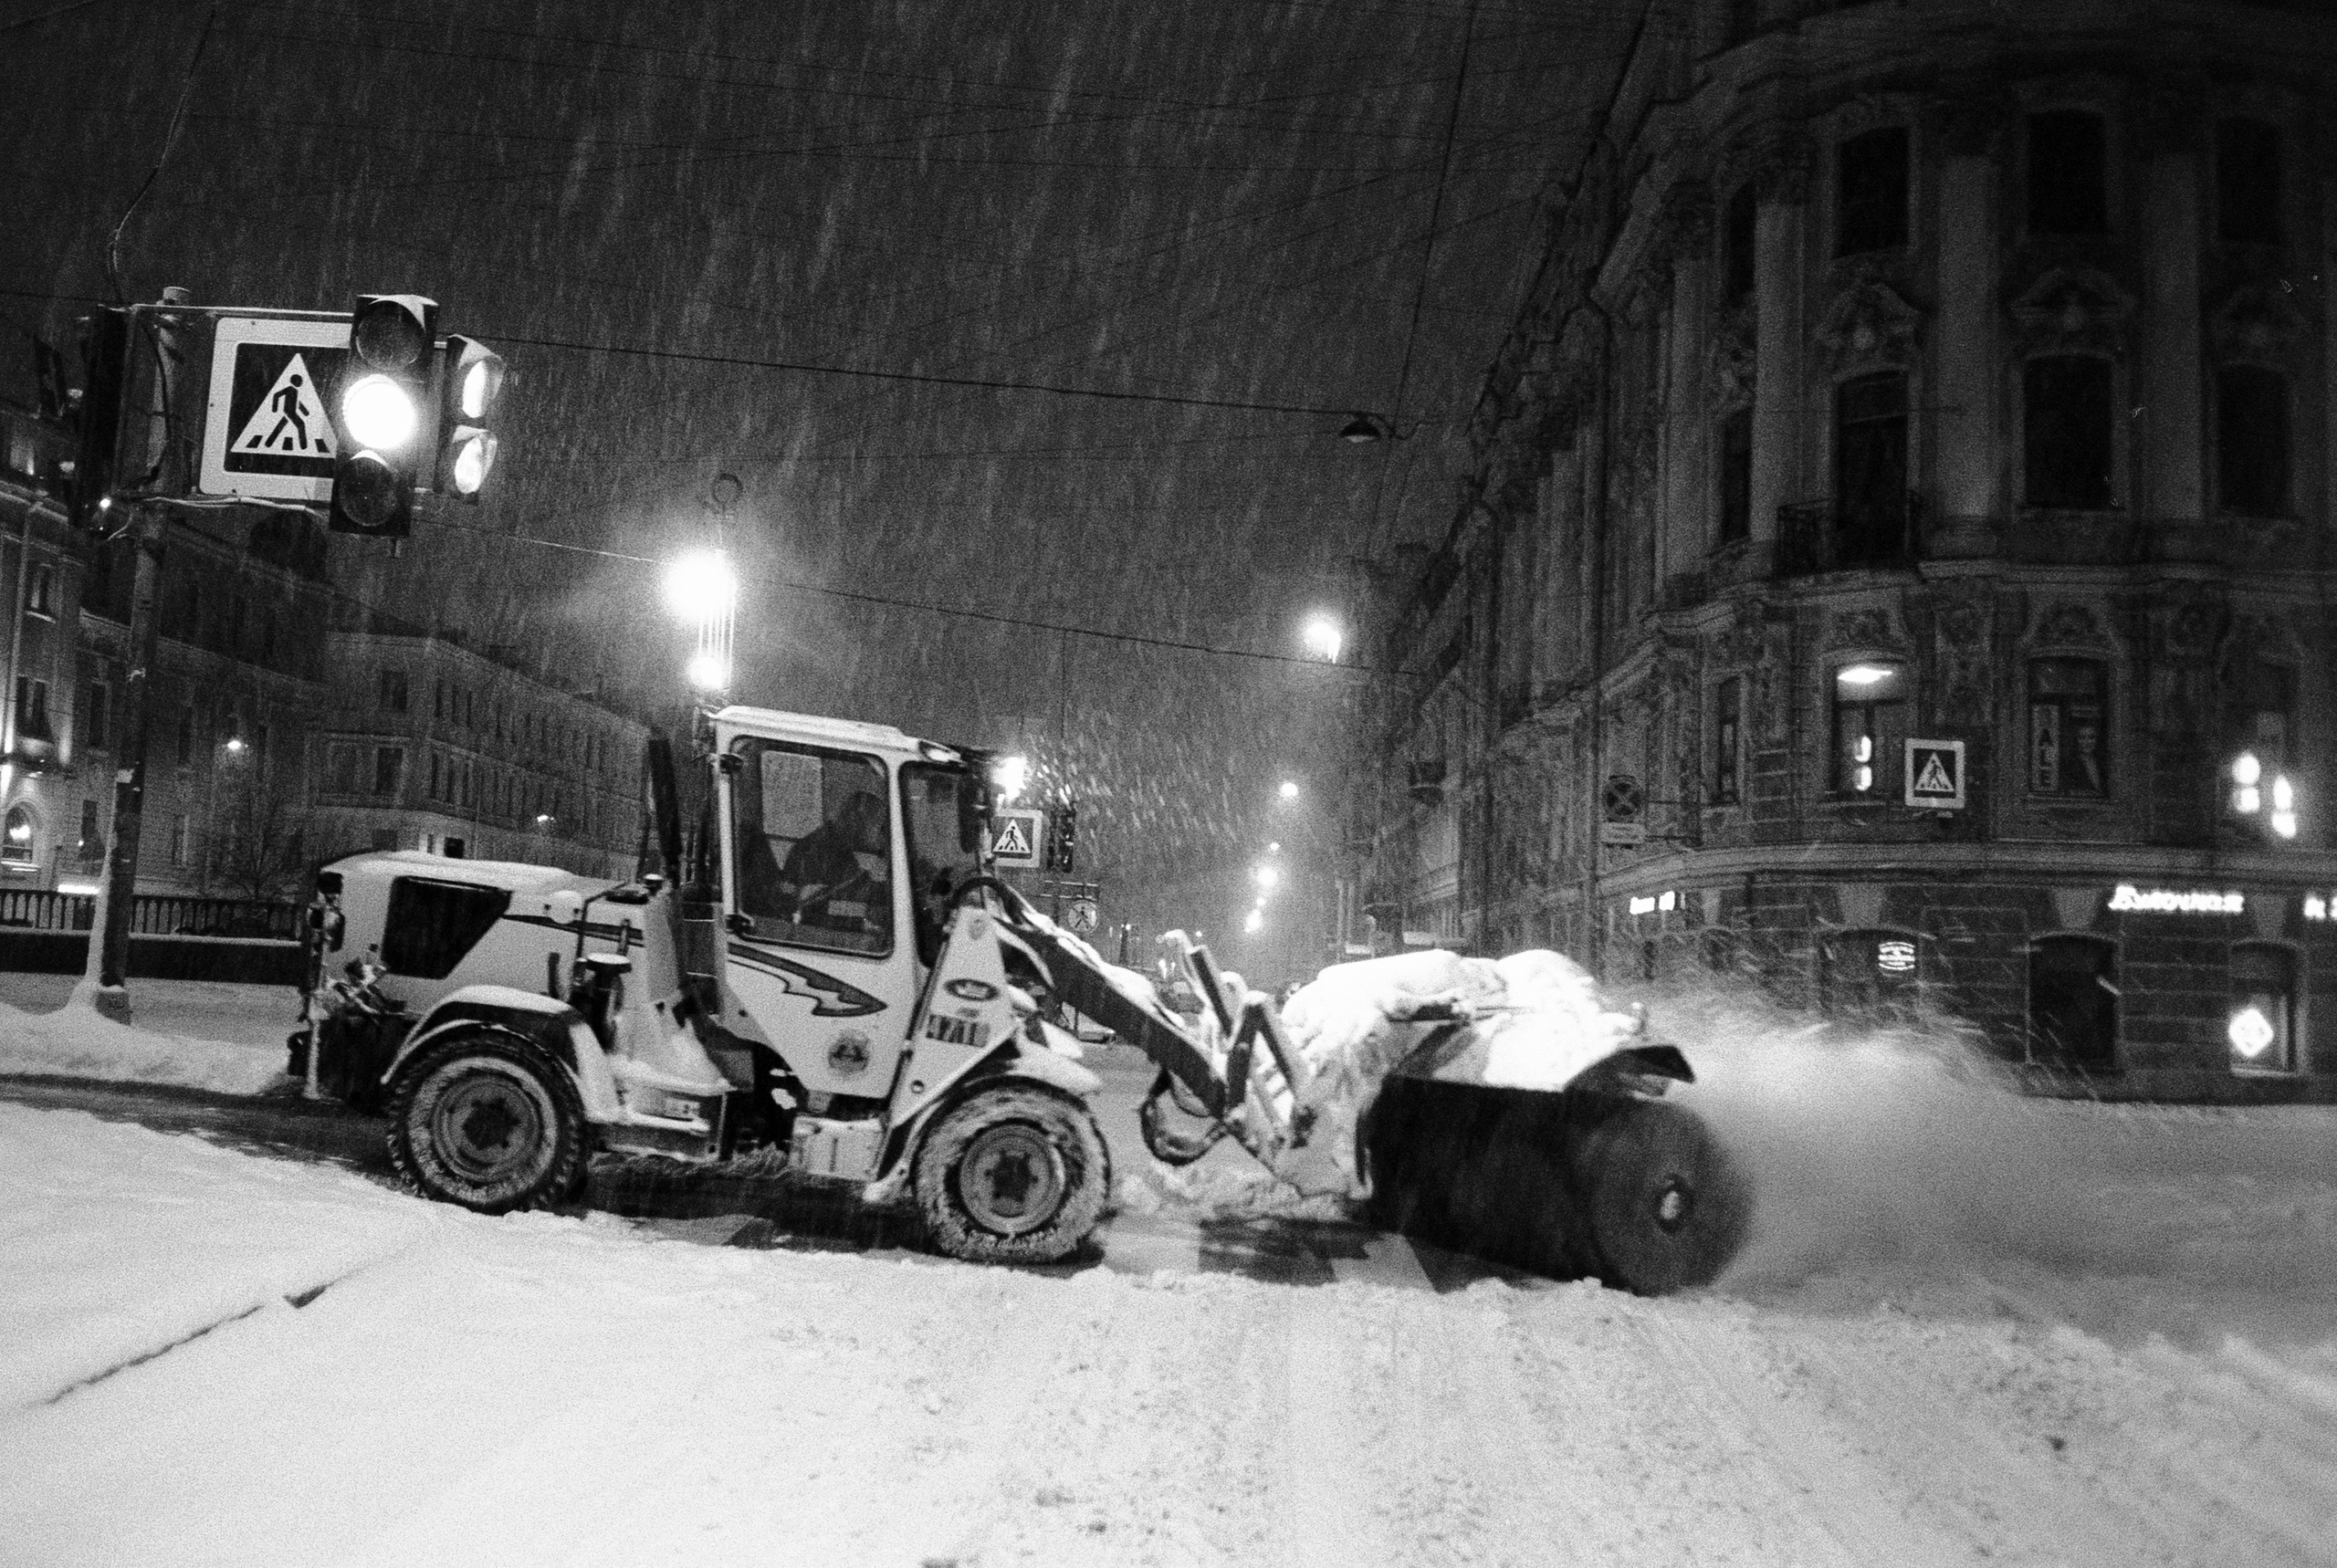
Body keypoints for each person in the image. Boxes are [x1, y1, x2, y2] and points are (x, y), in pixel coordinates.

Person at [776, 789, 889, 938]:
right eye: (878, 826)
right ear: (859, 822)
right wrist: (865, 917)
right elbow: (821, 905)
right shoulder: (818, 851)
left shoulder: (842, 848)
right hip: (817, 937)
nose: (881, 835)